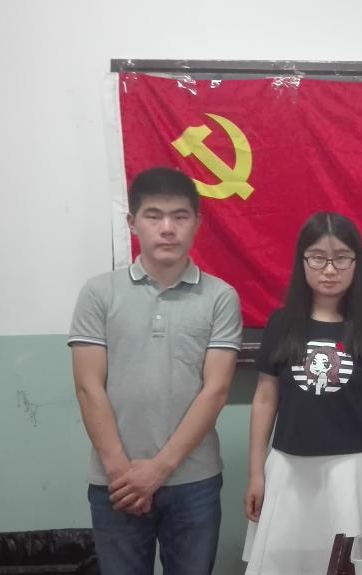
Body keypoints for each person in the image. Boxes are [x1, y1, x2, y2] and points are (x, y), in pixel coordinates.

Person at [69, 167, 242, 574]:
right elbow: (89, 387)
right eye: (154, 216)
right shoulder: (99, 293)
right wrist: (122, 472)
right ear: (133, 222)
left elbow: (215, 391)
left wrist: (158, 470)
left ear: (197, 223)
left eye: (180, 216)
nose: (167, 228)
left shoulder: (220, 297)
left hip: (194, 481)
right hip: (116, 482)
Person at [242, 212, 362, 575]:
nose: (330, 269)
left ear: (356, 263)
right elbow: (264, 400)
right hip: (289, 469)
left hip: (357, 471)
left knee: (357, 566)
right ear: (302, 261)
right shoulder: (281, 324)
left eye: (341, 258)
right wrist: (256, 473)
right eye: (318, 258)